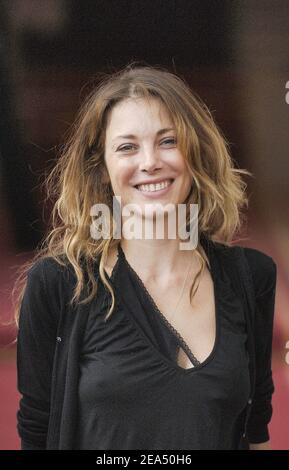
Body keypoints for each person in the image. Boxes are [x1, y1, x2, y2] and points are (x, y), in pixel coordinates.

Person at [14, 63, 277, 450]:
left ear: (195, 154)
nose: (150, 161)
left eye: (168, 141)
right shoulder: (57, 285)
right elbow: (37, 430)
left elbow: (255, 431)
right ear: (101, 170)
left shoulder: (251, 277)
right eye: (127, 147)